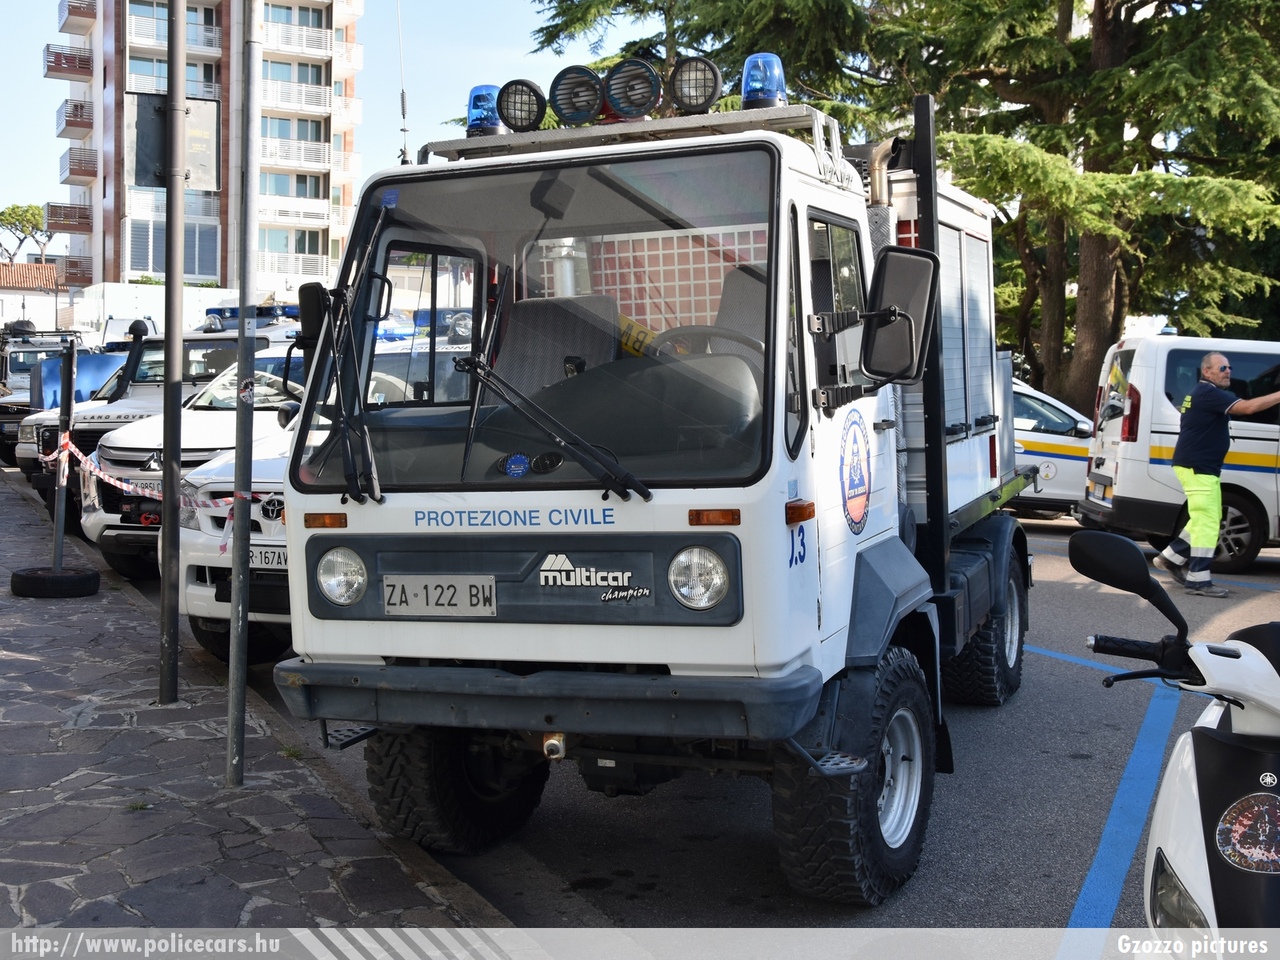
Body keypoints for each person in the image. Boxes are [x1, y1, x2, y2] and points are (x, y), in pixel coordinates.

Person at [1153, 351, 1280, 597]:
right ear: (1207, 371)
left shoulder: (1201, 393)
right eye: (1222, 368)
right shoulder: (1209, 393)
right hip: (1198, 468)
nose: (1228, 371)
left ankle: (1170, 557)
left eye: (1229, 367)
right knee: (1210, 521)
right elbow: (1249, 407)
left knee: (1202, 519)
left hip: (1198, 467)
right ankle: (1198, 580)